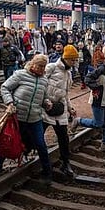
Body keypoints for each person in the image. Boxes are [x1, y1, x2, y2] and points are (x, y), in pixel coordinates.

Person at [0, 54, 54, 184]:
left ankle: (47, 173)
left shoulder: (44, 80)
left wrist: (47, 102)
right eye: (40, 66)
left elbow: (44, 96)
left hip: (35, 118)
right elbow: (5, 87)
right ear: (33, 64)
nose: (42, 69)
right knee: (9, 141)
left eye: (44, 67)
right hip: (18, 117)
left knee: (41, 145)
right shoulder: (20, 75)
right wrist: (10, 102)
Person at [70, 49, 105, 155]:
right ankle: (78, 121)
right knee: (98, 123)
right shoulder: (101, 70)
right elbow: (88, 79)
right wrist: (96, 87)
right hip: (98, 101)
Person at [42, 45, 79, 177]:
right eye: (73, 60)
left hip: (60, 109)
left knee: (63, 138)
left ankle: (65, 162)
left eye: (75, 60)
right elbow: (41, 84)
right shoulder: (51, 68)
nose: (74, 63)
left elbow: (66, 93)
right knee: (37, 134)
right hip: (46, 108)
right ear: (66, 58)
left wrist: (70, 108)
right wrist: (45, 101)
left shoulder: (68, 73)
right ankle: (27, 153)